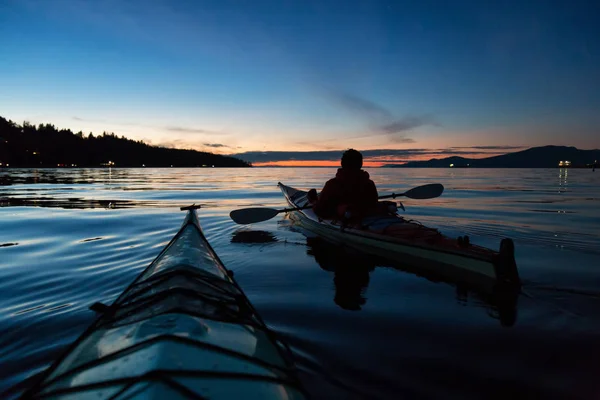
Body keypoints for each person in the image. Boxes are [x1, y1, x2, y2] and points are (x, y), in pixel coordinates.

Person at [307, 149, 378, 220]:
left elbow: (320, 210)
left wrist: (314, 202)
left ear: (342, 163)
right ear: (361, 164)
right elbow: (374, 204)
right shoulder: (369, 183)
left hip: (347, 220)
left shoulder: (332, 184)